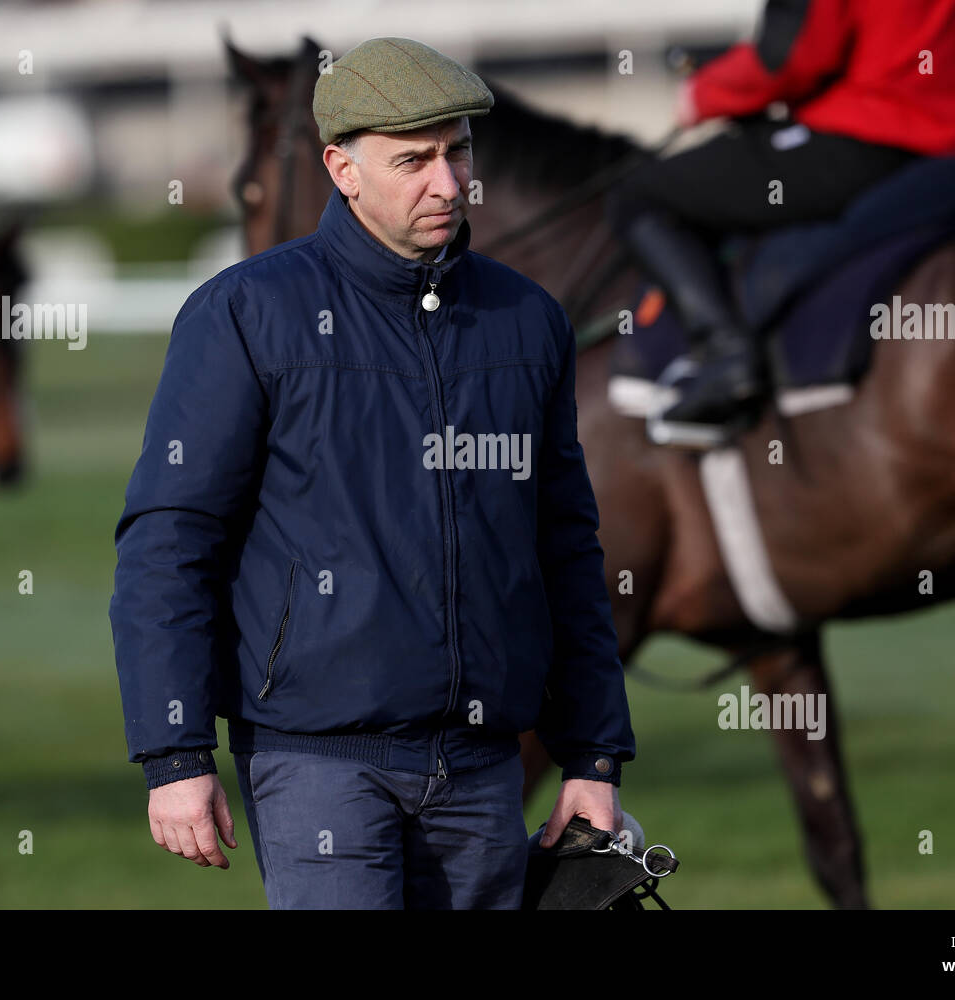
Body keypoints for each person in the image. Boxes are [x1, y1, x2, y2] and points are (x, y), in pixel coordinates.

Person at [109, 36, 636, 910]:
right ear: (340, 170)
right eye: (413, 160)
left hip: (483, 768)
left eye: (458, 151)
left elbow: (565, 548)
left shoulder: (529, 320)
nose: (446, 182)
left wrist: (592, 757)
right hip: (315, 762)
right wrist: (174, 754)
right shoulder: (245, 312)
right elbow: (170, 540)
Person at [606, 0, 955, 447]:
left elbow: (790, 57)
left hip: (868, 144)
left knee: (642, 194)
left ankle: (726, 356)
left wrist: (703, 93)